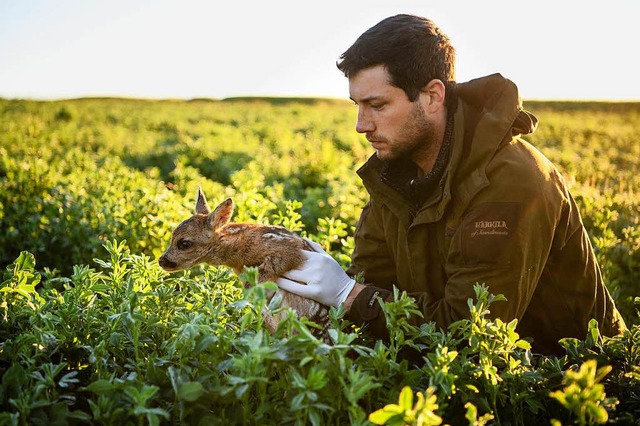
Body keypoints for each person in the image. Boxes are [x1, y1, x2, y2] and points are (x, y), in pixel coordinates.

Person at [275, 14, 626, 356]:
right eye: (357, 106)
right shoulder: (393, 176)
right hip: (448, 376)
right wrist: (305, 303)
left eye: (377, 105)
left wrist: (348, 295)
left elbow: (470, 336)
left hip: (569, 387)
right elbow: (373, 284)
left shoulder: (511, 182)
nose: (361, 125)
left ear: (432, 96)